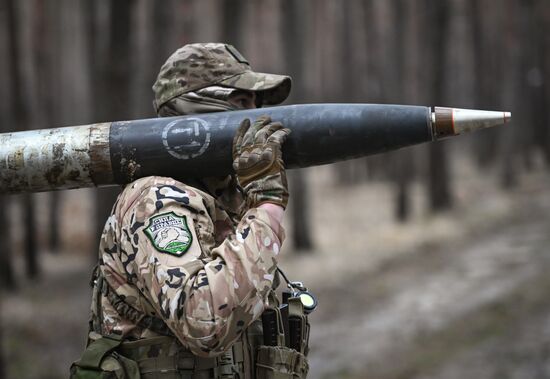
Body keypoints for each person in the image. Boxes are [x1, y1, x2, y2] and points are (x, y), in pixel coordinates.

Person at [71, 43, 310, 379]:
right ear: (198, 108)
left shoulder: (222, 195)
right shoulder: (155, 199)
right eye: (242, 102)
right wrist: (268, 206)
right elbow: (206, 323)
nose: (258, 117)